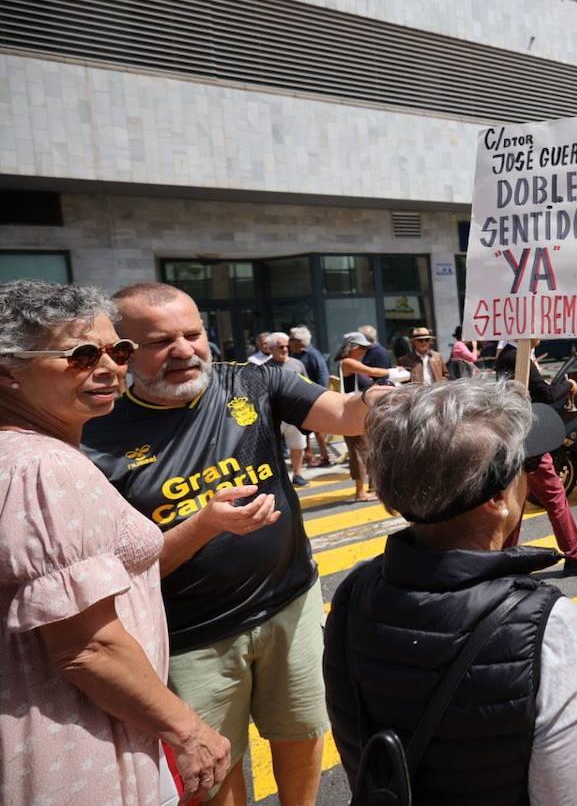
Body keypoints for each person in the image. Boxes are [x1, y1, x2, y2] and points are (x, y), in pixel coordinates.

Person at [81, 283, 385, 806]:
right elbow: (119, 573)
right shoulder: (93, 435)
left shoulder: (252, 382)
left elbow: (344, 414)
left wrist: (376, 399)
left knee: (302, 729)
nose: (183, 350)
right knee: (212, 761)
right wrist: (205, 524)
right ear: (124, 351)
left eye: (193, 334)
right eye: (160, 341)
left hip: (290, 601)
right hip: (191, 639)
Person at [323, 377, 577, 805]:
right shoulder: (548, 626)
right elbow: (574, 798)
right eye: (522, 467)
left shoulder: (351, 595)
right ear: (498, 499)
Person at [0, 281, 231, 804]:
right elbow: (89, 646)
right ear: (7, 372)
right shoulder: (44, 467)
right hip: (77, 746)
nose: (108, 368)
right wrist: (189, 731)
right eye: (81, 355)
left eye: (117, 350)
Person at [494, 341, 577, 576]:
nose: (541, 334)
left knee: (519, 498)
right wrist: (568, 384)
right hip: (528, 439)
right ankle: (574, 554)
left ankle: (507, 560)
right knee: (555, 495)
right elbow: (544, 395)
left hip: (516, 435)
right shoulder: (518, 354)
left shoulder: (509, 353)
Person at [338, 331, 406, 504]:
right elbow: (372, 371)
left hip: (361, 413)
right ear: (351, 348)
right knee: (358, 452)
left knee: (366, 450)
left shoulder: (354, 362)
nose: (363, 351)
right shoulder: (348, 362)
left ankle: (370, 487)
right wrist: (394, 371)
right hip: (351, 414)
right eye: (361, 348)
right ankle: (360, 491)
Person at [266, 332, 312, 488]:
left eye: (287, 346)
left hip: (295, 413)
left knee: (297, 446)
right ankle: (278, 477)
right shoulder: (264, 368)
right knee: (273, 448)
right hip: (275, 416)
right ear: (271, 349)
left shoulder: (297, 364)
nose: (285, 349)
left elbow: (307, 385)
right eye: (280, 346)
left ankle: (297, 474)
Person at [289, 326, 334, 466]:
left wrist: (320, 395)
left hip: (314, 396)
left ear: (298, 341)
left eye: (290, 340)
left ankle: (324, 455)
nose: (288, 343)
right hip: (300, 396)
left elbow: (322, 375)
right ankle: (308, 454)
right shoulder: (294, 355)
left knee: (318, 427)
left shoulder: (312, 354)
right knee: (303, 426)